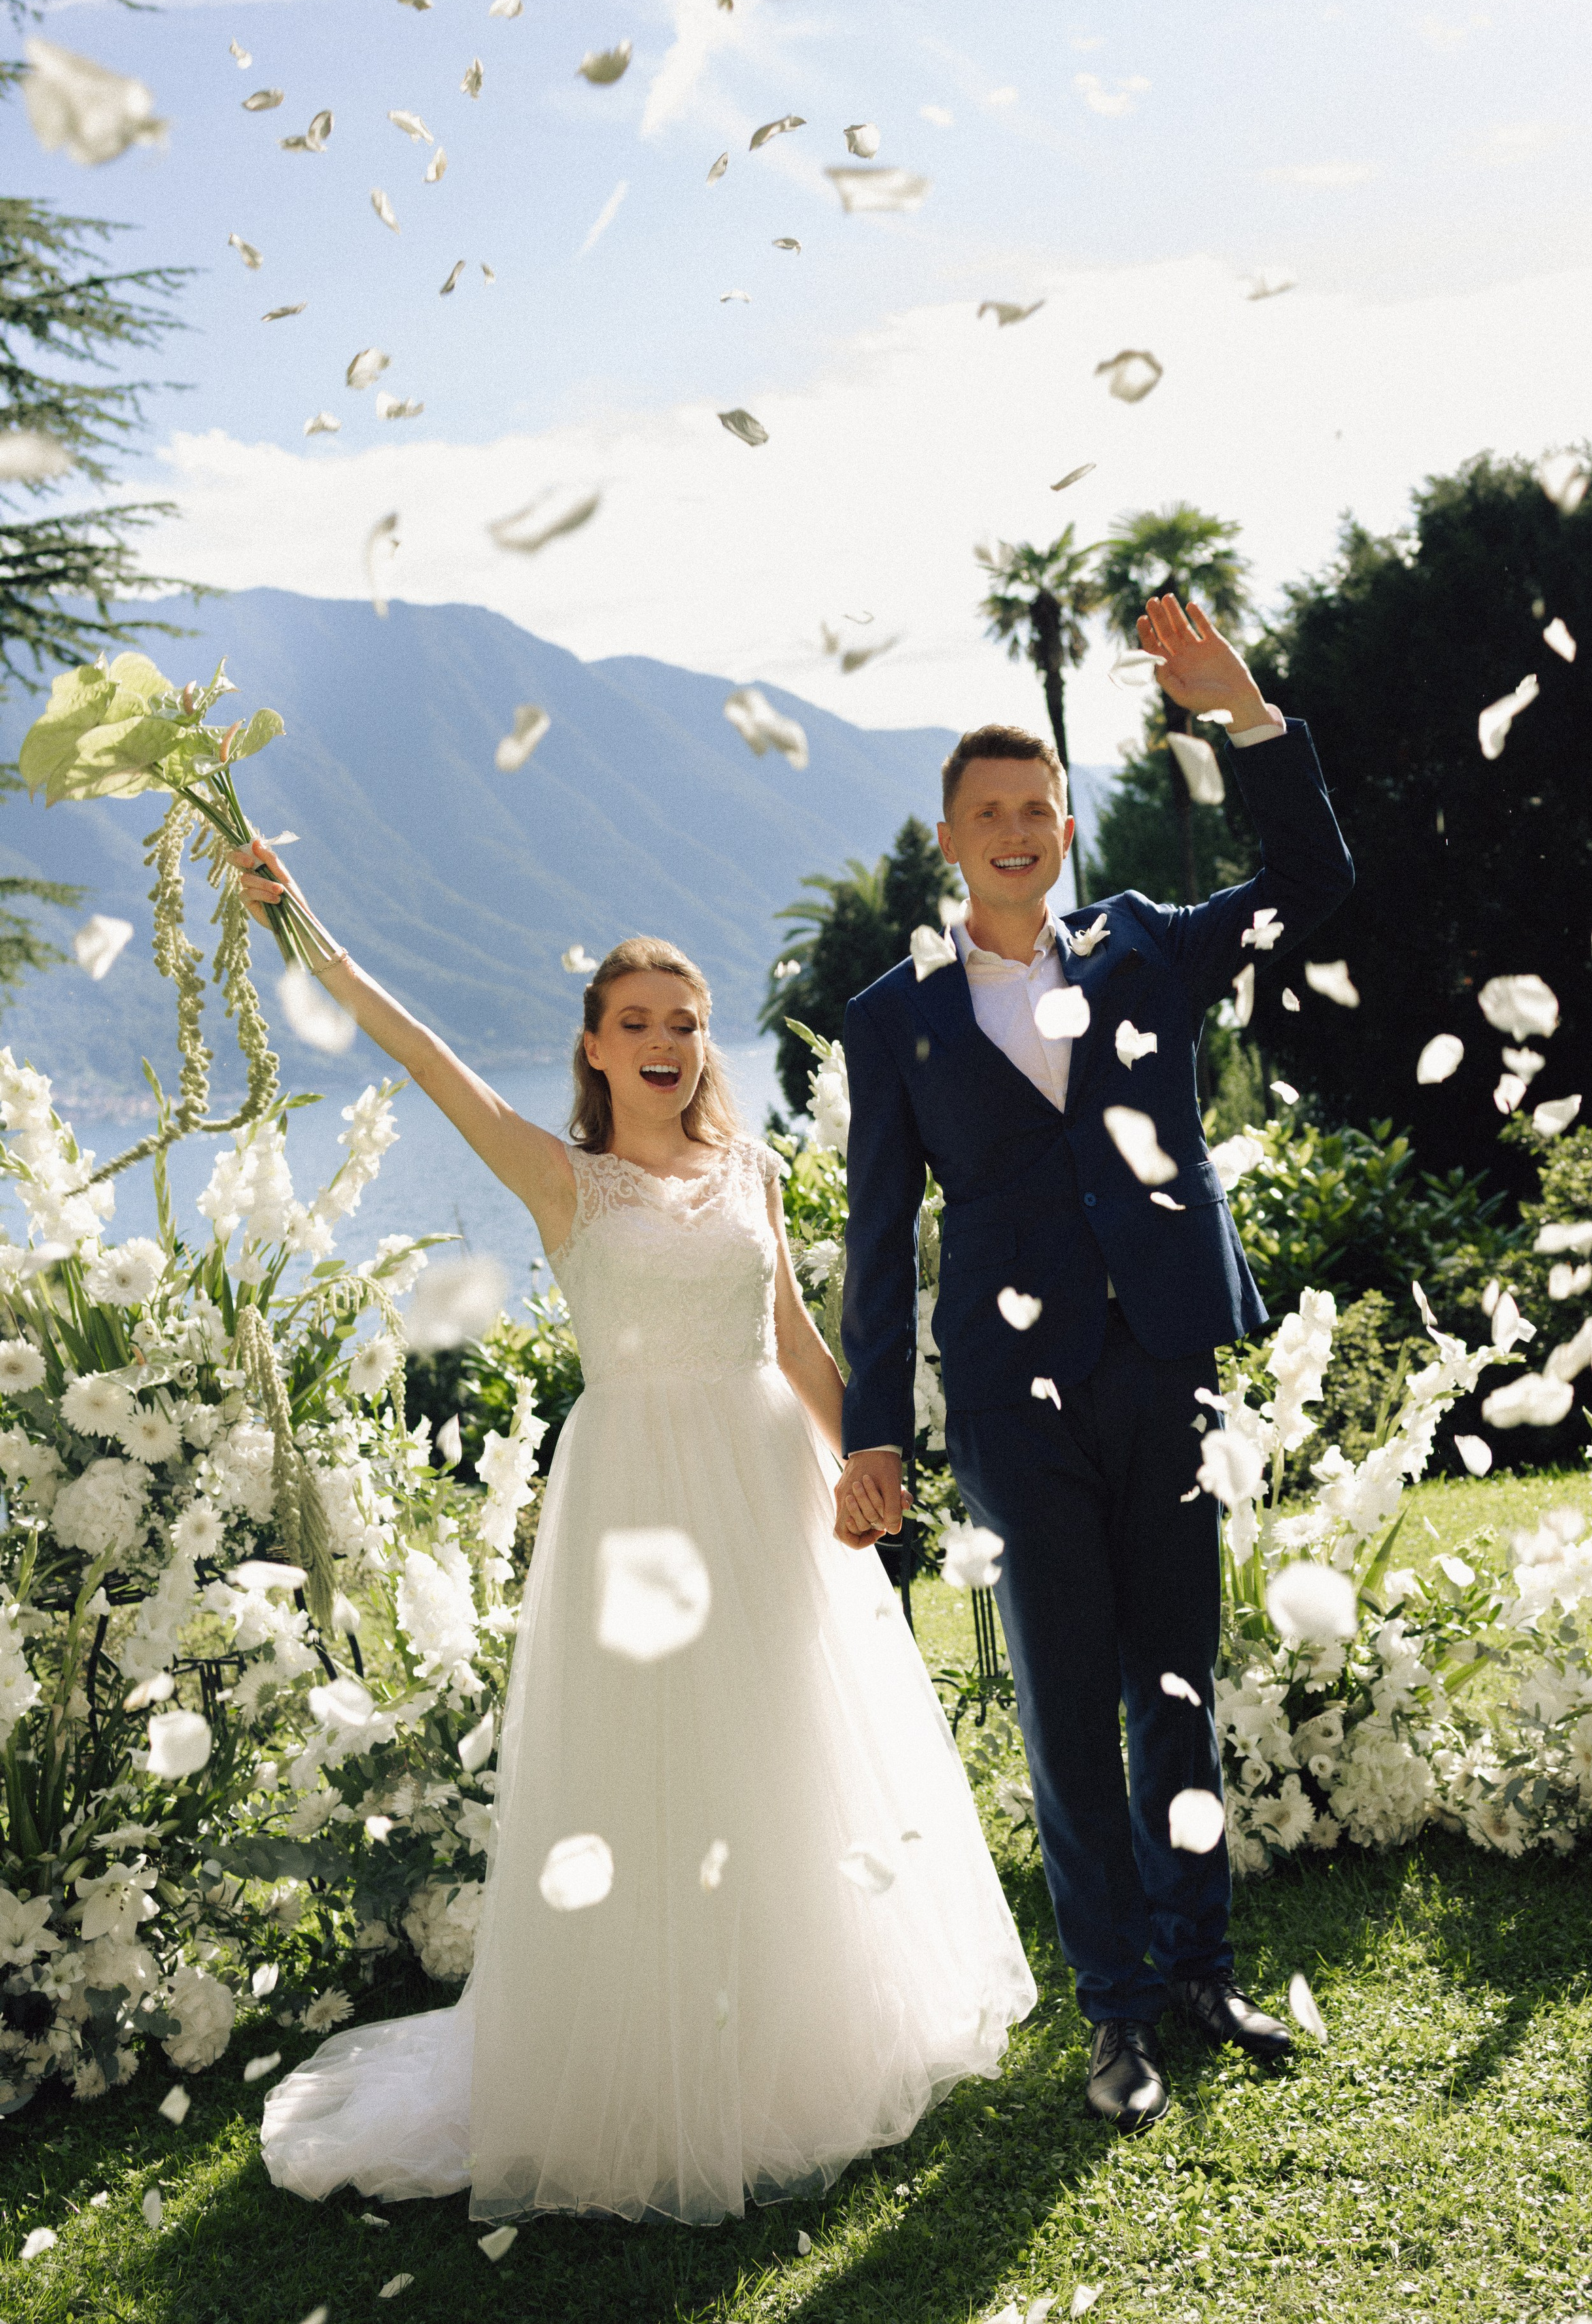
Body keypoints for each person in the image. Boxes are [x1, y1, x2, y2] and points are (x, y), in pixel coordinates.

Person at [230, 845, 1035, 2225]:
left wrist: (868, 1456)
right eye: (637, 1023)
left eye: (686, 1021)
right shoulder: (562, 1181)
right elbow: (422, 1056)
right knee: (649, 1777)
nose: (666, 1042)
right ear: (595, 1048)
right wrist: (300, 922)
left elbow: (794, 1339)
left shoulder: (751, 1172)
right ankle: (645, 2068)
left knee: (783, 1757)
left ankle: (796, 2046)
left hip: (766, 1486)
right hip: (635, 1504)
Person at [831, 592, 1355, 2136]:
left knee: (1175, 1682)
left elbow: (1313, 880)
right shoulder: (893, 1020)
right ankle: (1114, 2009)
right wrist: (874, 1433)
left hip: (1161, 1361)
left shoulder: (1151, 947)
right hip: (1011, 1402)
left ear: (1065, 826)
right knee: (1066, 1702)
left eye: (1036, 809)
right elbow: (876, 1241)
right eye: (985, 815)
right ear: (949, 842)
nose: (1015, 833)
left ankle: (1201, 1972)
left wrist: (1244, 715)